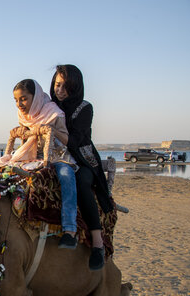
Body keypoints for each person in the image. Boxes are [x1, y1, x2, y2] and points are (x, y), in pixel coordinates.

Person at [0, 79, 78, 249]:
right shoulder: (24, 116)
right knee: (3, 172)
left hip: (57, 155)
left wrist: (47, 130)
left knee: (66, 176)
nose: (19, 104)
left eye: (23, 99)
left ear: (36, 97)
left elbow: (64, 138)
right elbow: (26, 140)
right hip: (32, 157)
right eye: (16, 100)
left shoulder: (53, 113)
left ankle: (70, 230)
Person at [50, 64, 112, 270]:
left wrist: (50, 130)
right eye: (58, 85)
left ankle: (97, 243)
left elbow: (75, 141)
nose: (60, 90)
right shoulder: (50, 106)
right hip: (55, 157)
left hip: (82, 158)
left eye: (66, 87)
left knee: (82, 182)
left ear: (75, 88)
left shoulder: (84, 108)